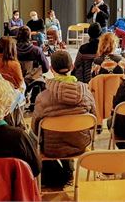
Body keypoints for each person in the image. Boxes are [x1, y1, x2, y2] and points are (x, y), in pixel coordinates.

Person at [32, 51, 96, 182]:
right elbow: (94, 119)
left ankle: (49, 173)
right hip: (80, 144)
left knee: (31, 135)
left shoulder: (43, 98)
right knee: (71, 131)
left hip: (51, 148)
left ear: (51, 69)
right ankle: (69, 169)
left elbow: (35, 130)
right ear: (72, 67)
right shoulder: (87, 94)